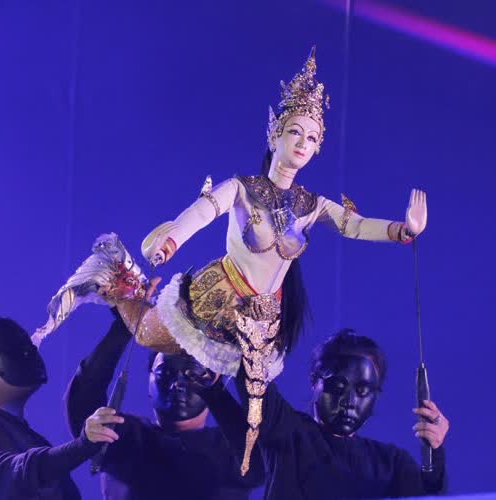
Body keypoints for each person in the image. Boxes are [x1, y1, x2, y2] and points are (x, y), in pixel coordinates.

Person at [35, 46, 428, 472]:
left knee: (255, 405)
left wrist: (402, 230)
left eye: (312, 138)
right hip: (218, 297)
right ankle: (118, 283)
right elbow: (202, 212)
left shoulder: (311, 205)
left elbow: (355, 225)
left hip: (260, 317)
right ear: (275, 135)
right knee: (147, 336)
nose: (303, 143)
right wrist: (172, 241)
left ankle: (243, 461)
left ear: (318, 149)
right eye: (295, 132)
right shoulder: (242, 188)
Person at [65, 307, 264, 500]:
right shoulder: (123, 436)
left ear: (214, 378)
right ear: (149, 379)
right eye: (165, 372)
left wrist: (224, 384)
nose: (177, 382)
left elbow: (263, 460)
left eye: (193, 372)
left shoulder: (233, 448)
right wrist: (124, 325)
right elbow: (84, 397)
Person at [236, 329, 448, 499]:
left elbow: (429, 494)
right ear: (315, 382)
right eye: (338, 386)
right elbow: (252, 375)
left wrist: (434, 452)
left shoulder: (391, 463)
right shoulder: (288, 434)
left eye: (363, 391)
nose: (349, 402)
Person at [0, 315, 122, 499]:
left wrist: (121, 330)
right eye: (16, 350)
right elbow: (18, 471)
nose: (31, 353)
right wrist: (81, 445)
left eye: (30, 347)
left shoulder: (19, 431)